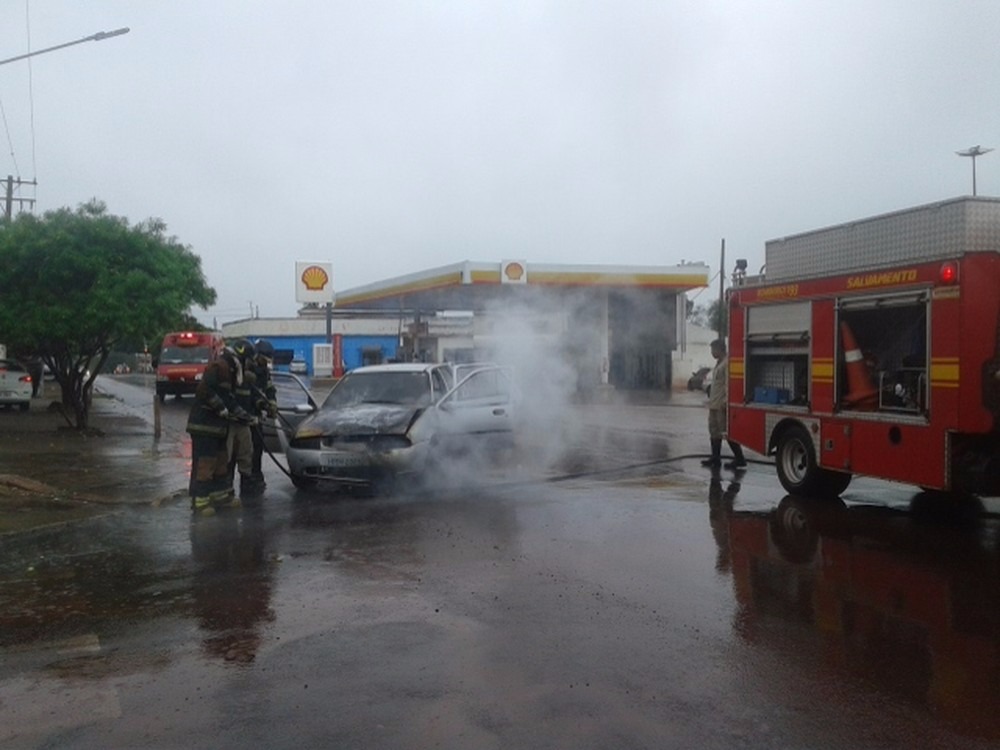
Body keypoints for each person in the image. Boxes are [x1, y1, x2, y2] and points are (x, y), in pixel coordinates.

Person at [185, 339, 254, 515]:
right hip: (204, 426)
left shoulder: (230, 370)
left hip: (219, 428)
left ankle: (220, 496)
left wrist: (244, 416)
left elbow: (228, 397)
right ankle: (200, 500)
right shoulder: (220, 366)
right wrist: (220, 407)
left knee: (221, 462)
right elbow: (203, 390)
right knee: (205, 463)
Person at [701, 338, 747, 470]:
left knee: (727, 432)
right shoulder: (718, 363)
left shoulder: (727, 364)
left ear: (720, 349)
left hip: (721, 404)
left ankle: (740, 459)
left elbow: (729, 384)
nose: (712, 352)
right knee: (714, 431)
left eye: (713, 349)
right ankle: (715, 458)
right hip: (714, 404)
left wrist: (726, 402)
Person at [226, 339, 260, 498]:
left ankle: (246, 484)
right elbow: (229, 400)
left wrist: (262, 406)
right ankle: (226, 489)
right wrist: (245, 415)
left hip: (243, 422)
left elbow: (252, 397)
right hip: (230, 422)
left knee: (247, 453)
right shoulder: (230, 373)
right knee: (228, 455)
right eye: (248, 360)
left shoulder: (245, 377)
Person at [248, 339, 279, 491]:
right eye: (263, 359)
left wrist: (272, 402)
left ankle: (256, 475)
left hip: (257, 417)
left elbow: (269, 388)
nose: (265, 363)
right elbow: (247, 393)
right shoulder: (247, 371)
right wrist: (260, 403)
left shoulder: (264, 372)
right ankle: (247, 480)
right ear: (256, 356)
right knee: (246, 450)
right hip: (245, 417)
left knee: (258, 447)